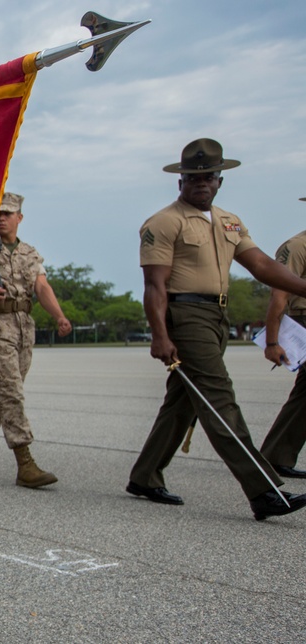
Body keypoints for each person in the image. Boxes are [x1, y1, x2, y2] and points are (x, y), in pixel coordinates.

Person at [127, 138, 306, 521]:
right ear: (181, 182)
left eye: (209, 177)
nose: (202, 183)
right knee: (218, 399)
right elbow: (155, 286)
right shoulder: (163, 222)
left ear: (220, 180)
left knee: (185, 401)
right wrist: (160, 335)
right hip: (186, 316)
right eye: (194, 177)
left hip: (217, 318)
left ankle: (144, 475)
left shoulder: (229, 220)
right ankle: (265, 490)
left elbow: (260, 265)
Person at [0, 192, 71, 488]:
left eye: (8, 213)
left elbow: (41, 287)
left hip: (23, 328)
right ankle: (25, 461)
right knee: (12, 393)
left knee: (2, 395)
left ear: (20, 217)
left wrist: (58, 316)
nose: (3, 218)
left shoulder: (30, 253)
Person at [258, 197, 306, 479]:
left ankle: (275, 456)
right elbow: (279, 294)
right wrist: (272, 341)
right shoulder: (296, 246)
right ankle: (275, 457)